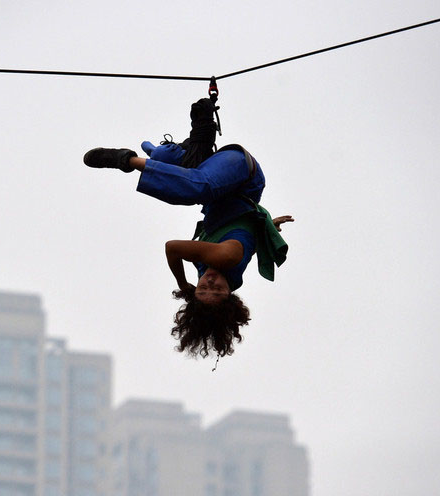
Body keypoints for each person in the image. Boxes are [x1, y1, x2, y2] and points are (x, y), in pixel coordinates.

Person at [83, 98, 293, 360]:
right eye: (217, 290)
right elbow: (173, 247)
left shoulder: (224, 269)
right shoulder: (225, 260)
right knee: (194, 188)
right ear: (231, 295)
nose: (210, 283)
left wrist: (267, 227)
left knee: (165, 159)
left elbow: (246, 237)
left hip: (216, 181)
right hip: (241, 176)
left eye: (203, 289)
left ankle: (176, 151)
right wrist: (183, 283)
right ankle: (127, 160)